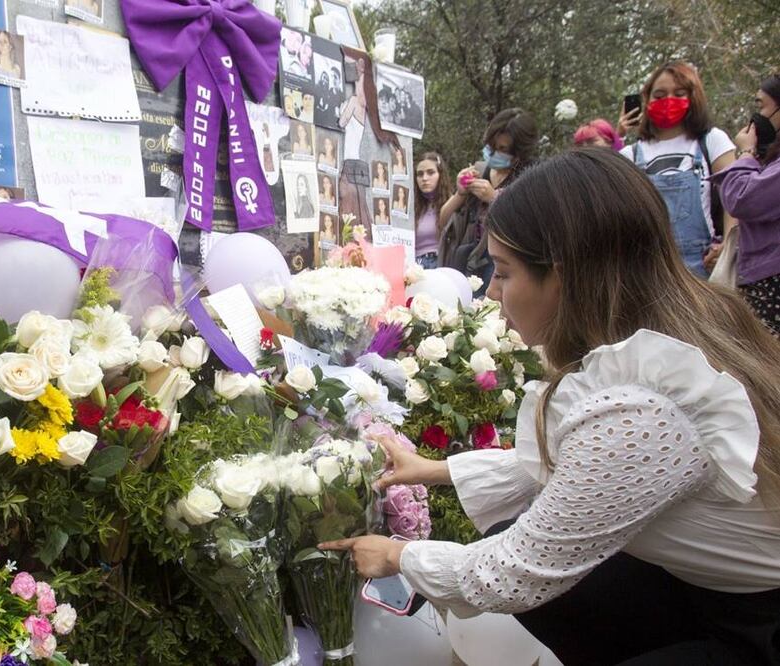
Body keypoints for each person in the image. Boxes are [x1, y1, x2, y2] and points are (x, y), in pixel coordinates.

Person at [322, 148, 780, 666]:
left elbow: (515, 571)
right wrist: (433, 469)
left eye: (502, 272)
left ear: (561, 275)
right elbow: (585, 472)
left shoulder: (647, 409)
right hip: (711, 590)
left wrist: (398, 555)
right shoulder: (676, 332)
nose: (492, 294)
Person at [618, 61, 736, 277]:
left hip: (705, 266)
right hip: (650, 270)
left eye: (679, 93)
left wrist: (727, 248)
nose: (668, 100)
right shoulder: (629, 155)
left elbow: (735, 199)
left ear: (693, 97)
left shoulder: (713, 141)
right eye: (659, 95)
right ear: (647, 100)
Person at [439, 107, 538, 294]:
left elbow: (532, 227)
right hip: (470, 262)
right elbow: (443, 221)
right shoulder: (479, 170)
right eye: (491, 147)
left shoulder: (530, 179)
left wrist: (494, 198)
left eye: (502, 149)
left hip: (503, 267)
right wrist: (460, 193)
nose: (493, 154)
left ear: (519, 152)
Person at [712, 73, 780, 335]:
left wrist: (746, 152)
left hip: (771, 280)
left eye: (761, 106)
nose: (757, 117)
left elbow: (743, 199)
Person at [338, 56, 373, 234]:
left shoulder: (354, 101)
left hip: (350, 161)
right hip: (356, 162)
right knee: (359, 209)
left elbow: (342, 122)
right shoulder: (362, 106)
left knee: (349, 208)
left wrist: (342, 107)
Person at [414, 151, 452, 268]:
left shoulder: (452, 203)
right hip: (414, 267)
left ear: (440, 175)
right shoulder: (412, 206)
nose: (424, 178)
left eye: (430, 173)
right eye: (420, 174)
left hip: (441, 264)